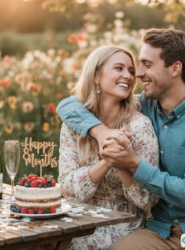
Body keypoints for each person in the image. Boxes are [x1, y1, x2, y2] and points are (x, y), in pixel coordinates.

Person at [57, 29, 185, 250]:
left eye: (147, 65)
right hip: (160, 231)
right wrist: (101, 132)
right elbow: (68, 106)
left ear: (175, 68)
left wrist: (132, 163)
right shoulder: (144, 106)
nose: (138, 74)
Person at [58, 45, 159, 249]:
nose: (128, 76)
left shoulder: (140, 126)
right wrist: (106, 161)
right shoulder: (74, 124)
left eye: (131, 71)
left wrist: (122, 163)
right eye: (119, 68)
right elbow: (67, 189)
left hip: (126, 230)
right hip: (79, 226)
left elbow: (147, 200)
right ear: (96, 76)